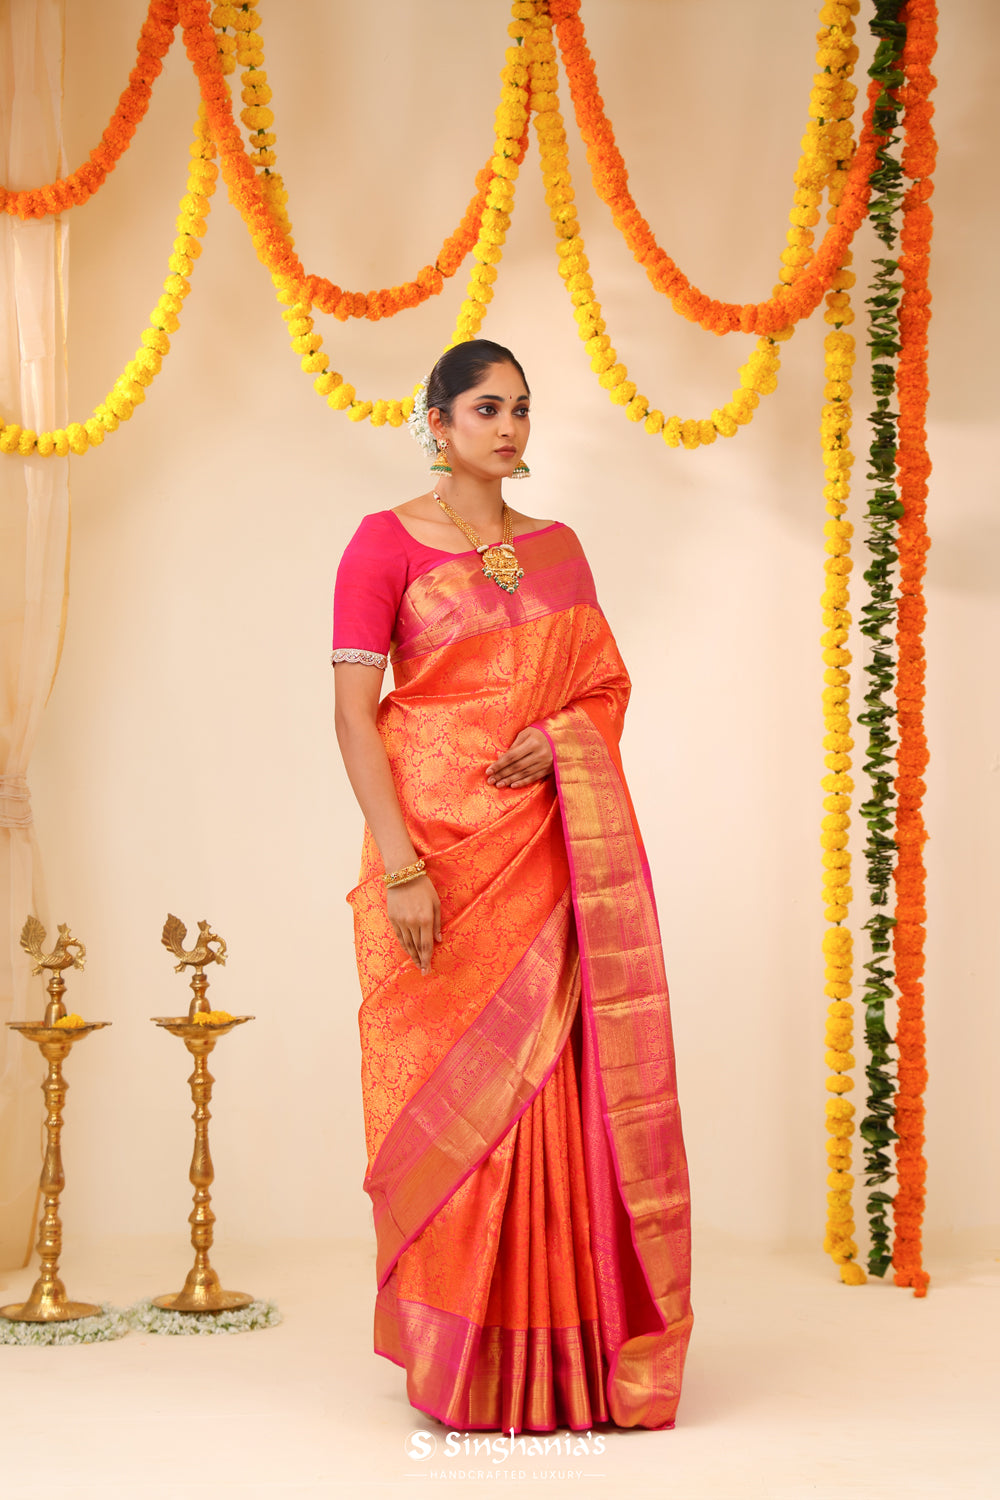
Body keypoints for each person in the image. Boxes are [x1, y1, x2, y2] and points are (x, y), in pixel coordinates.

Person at [332, 339, 691, 1433]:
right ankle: (465, 1364)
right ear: (434, 422)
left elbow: (602, 685)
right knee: (458, 1107)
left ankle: (565, 1355)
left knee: (551, 1094)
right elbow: (354, 716)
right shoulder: (380, 545)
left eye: (521, 411)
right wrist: (399, 866)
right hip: (437, 852)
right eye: (486, 408)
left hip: (544, 850)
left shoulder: (559, 548)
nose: (508, 427)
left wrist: (564, 735)